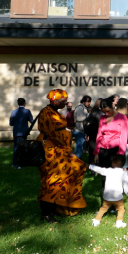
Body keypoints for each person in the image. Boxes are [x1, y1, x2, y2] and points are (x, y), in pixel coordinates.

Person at [36, 89, 87, 222]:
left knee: (68, 174)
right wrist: (67, 148)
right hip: (52, 151)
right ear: (55, 101)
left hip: (59, 150)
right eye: (63, 101)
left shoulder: (53, 112)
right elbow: (52, 133)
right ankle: (46, 214)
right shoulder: (46, 112)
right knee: (52, 180)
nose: (65, 104)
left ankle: (58, 207)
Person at [94, 98, 128, 201]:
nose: (106, 113)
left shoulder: (122, 118)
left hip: (115, 150)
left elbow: (124, 136)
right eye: (104, 111)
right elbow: (99, 135)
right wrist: (96, 151)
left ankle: (115, 201)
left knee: (114, 177)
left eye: (108, 111)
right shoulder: (102, 118)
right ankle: (105, 199)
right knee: (104, 176)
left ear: (113, 106)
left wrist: (120, 154)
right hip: (103, 150)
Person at [90, 155, 128, 228]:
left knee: (103, 209)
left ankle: (96, 221)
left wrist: (89, 166)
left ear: (114, 163)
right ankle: (119, 222)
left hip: (107, 196)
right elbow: (126, 186)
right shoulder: (124, 173)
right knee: (121, 209)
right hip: (118, 197)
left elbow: (99, 169)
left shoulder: (108, 170)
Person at [9, 98, 34, 169]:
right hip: (24, 132)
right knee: (22, 147)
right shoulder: (27, 111)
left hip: (16, 132)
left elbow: (11, 123)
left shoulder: (14, 112)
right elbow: (32, 121)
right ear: (24, 103)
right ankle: (20, 164)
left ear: (18, 104)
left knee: (16, 147)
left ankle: (14, 163)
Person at [84, 98, 103, 166]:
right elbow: (100, 124)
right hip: (97, 134)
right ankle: (97, 167)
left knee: (92, 151)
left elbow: (85, 122)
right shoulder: (99, 113)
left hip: (91, 134)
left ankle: (92, 168)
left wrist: (87, 132)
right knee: (97, 151)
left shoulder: (92, 111)